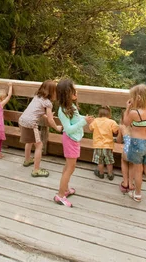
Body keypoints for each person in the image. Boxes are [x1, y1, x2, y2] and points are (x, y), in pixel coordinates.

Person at [53, 79, 93, 207]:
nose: (76, 92)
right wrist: (83, 122)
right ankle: (60, 195)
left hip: (74, 140)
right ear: (66, 94)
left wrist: (84, 118)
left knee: (69, 167)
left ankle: (65, 189)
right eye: (73, 90)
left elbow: (75, 119)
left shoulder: (71, 106)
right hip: (70, 140)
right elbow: (68, 128)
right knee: (70, 168)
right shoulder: (62, 110)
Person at [18, 80, 62, 177]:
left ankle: (27, 160)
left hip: (22, 120)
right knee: (39, 145)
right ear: (52, 92)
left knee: (29, 142)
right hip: (31, 124)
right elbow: (50, 120)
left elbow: (37, 111)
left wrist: (47, 115)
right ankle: (36, 170)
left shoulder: (37, 97)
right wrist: (57, 128)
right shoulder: (48, 103)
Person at [90, 105, 119, 180]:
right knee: (109, 161)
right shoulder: (112, 122)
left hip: (98, 145)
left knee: (100, 161)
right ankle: (110, 174)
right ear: (109, 114)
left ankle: (101, 173)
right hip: (108, 145)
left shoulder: (95, 121)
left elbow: (90, 128)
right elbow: (115, 131)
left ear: (99, 114)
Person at [117, 120, 134, 193]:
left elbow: (119, 140)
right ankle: (131, 184)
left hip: (126, 150)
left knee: (124, 162)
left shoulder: (122, 127)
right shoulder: (138, 126)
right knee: (132, 164)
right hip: (135, 150)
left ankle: (125, 183)